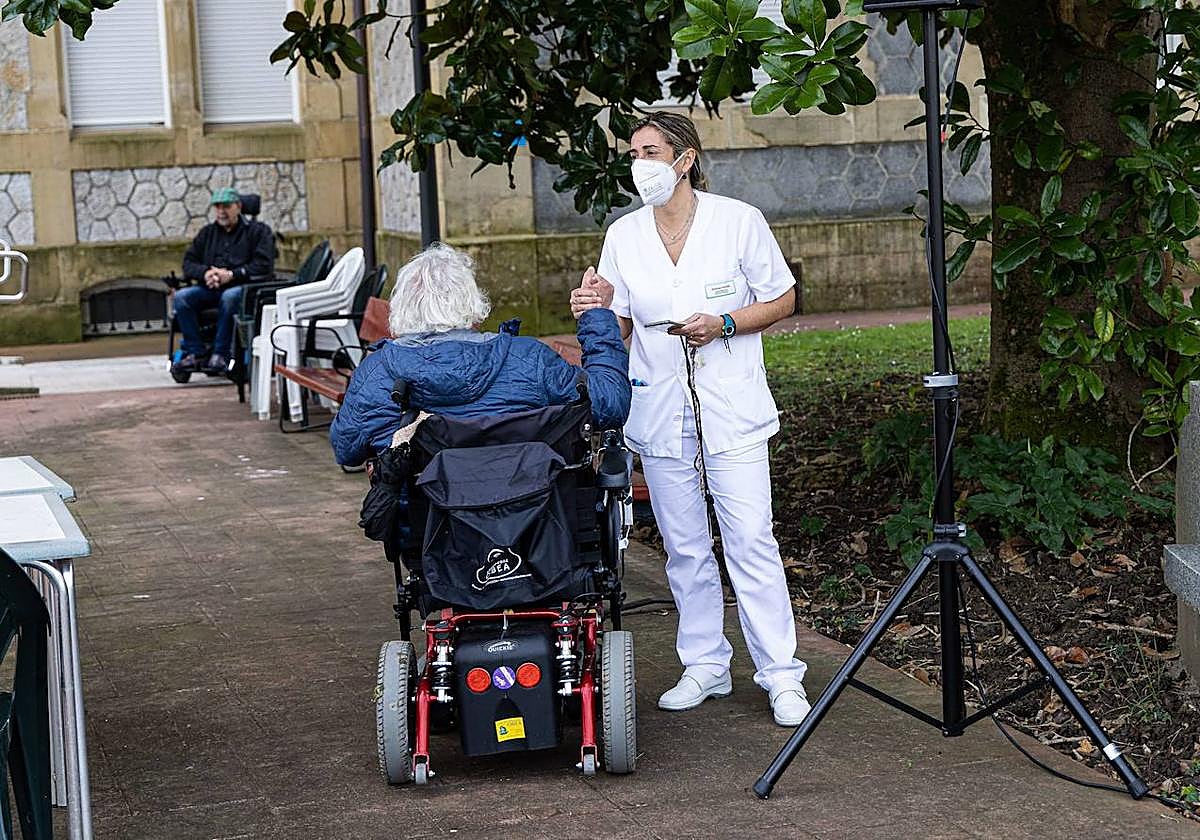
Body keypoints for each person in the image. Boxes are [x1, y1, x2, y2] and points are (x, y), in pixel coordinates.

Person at [570, 111, 809, 727]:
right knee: (683, 546)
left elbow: (783, 296)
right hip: (660, 404)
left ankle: (781, 673)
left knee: (751, 538)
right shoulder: (623, 235)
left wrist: (725, 324)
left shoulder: (738, 221)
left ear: (685, 159)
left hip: (731, 403)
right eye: (633, 152)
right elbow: (619, 326)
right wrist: (595, 310)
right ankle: (705, 662)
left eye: (651, 150)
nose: (639, 163)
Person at [330, 242, 630, 467]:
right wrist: (595, 315)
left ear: (403, 307)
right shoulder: (528, 358)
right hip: (534, 519)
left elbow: (347, 450)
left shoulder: (379, 371)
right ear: (471, 300)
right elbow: (610, 403)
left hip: (427, 528)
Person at [171, 187, 275, 377]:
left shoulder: (259, 232)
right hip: (211, 288)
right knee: (181, 297)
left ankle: (221, 354)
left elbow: (263, 265)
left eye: (226, 206)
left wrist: (232, 274)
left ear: (239, 207)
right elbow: (188, 262)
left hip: (242, 288)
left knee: (230, 297)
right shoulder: (207, 233)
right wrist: (206, 273)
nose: (221, 211)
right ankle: (196, 352)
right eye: (218, 207)